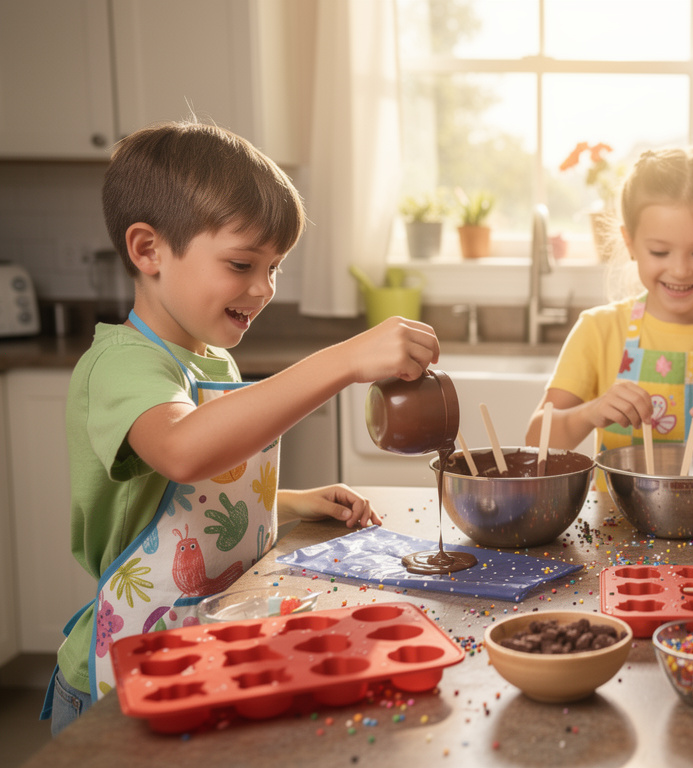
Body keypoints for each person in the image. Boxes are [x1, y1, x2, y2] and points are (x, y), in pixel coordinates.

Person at [45, 121, 440, 734]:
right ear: (148, 250)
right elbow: (181, 453)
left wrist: (291, 501)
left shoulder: (212, 358)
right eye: (240, 264)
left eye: (274, 267)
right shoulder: (121, 365)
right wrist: (343, 361)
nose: (263, 289)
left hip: (204, 651)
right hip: (120, 673)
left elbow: (186, 505)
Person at [526, 145, 693, 479]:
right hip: (619, 527)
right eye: (660, 251)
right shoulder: (598, 329)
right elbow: (535, 440)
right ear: (630, 243)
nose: (680, 270)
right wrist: (590, 412)